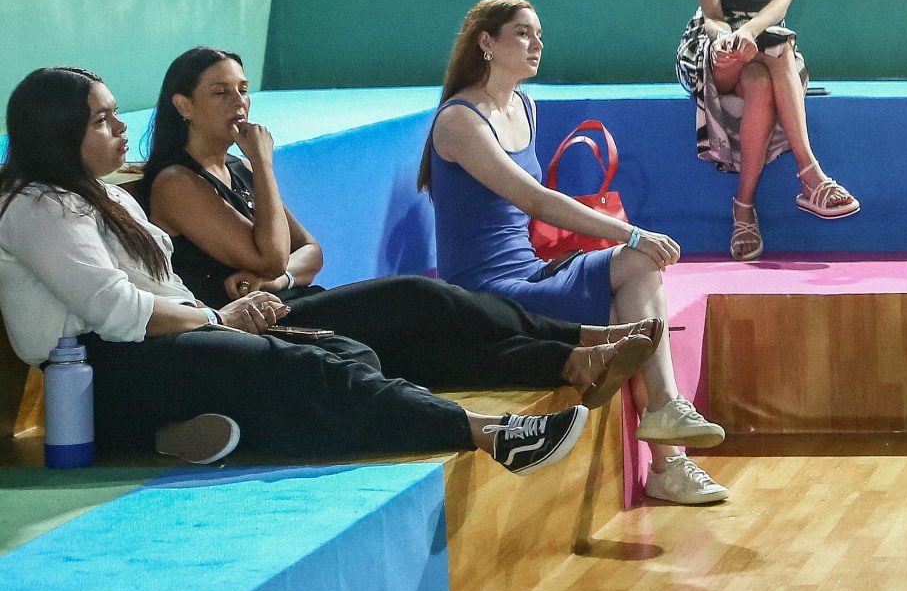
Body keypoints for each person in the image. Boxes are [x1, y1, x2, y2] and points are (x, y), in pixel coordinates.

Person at [0, 67, 586, 471]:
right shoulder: (39, 207)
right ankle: (490, 432)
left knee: (351, 353)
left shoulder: (106, 195)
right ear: (59, 135)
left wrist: (226, 311)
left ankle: (175, 434)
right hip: (103, 369)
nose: (121, 127)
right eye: (102, 120)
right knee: (306, 368)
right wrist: (219, 317)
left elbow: (281, 259)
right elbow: (117, 311)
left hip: (159, 344)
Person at [140, 46, 657, 407]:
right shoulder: (176, 182)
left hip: (290, 299)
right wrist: (265, 167)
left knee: (427, 351)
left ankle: (570, 362)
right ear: (184, 106)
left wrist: (278, 278)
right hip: (251, 326)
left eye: (243, 90)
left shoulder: (235, 168)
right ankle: (584, 336)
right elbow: (272, 254)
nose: (239, 104)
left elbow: (310, 251)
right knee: (418, 294)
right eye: (220, 93)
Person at [423, 0, 730, 505]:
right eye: (523, 33)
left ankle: (666, 426)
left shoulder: (524, 106)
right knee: (633, 283)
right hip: (483, 295)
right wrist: (630, 233)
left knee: (638, 273)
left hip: (531, 272)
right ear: (486, 42)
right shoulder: (458, 120)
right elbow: (535, 200)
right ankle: (669, 460)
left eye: (539, 35)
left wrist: (633, 245)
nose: (536, 44)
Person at [679, 0, 859, 261]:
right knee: (776, 52)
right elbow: (712, 15)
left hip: (767, 36)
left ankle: (744, 208)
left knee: (764, 74)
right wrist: (732, 38)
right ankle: (811, 176)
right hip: (713, 41)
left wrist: (752, 32)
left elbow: (781, 1)